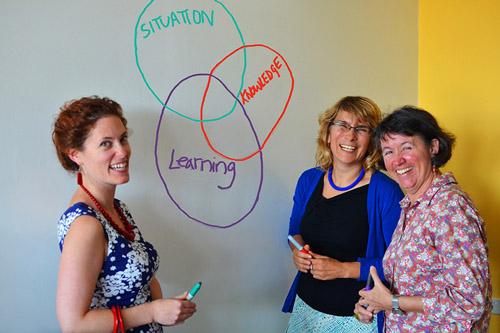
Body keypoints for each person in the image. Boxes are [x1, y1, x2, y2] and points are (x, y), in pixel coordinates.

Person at [53, 96, 196, 332]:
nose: (122, 151)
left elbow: (141, 282)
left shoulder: (118, 208)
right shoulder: (86, 225)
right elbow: (74, 324)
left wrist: (163, 310)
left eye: (123, 139)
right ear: (75, 155)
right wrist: (152, 312)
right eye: (106, 144)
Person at [354, 106, 492, 332]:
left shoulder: (450, 207)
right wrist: (375, 301)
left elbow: (470, 301)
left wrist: (393, 302)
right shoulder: (412, 206)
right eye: (388, 151)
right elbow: (415, 286)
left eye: (406, 147)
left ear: (433, 147)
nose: (397, 160)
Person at [283, 96, 404, 333]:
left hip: (357, 320)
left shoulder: (385, 191)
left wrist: (342, 269)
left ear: (372, 141)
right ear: (328, 134)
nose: (350, 135)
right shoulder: (309, 180)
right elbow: (294, 232)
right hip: (306, 308)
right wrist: (298, 253)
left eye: (361, 129)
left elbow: (399, 264)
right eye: (343, 125)